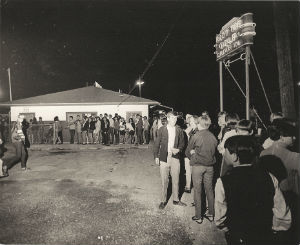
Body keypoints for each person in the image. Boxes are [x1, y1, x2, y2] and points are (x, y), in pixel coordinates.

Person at [215, 135, 291, 245]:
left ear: (235, 156)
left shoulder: (222, 182)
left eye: (225, 151)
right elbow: (281, 210)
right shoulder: (270, 177)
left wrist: (227, 229)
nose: (223, 154)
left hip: (237, 235)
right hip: (264, 234)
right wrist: (276, 229)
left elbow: (220, 217)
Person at [185, 115, 217, 224]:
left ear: (200, 124)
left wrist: (193, 155)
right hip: (210, 167)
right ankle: (211, 214)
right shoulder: (213, 136)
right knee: (209, 190)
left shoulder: (196, 135)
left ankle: (198, 216)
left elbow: (188, 150)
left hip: (198, 166)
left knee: (198, 190)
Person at [153, 111, 186, 209]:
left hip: (175, 158)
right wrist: (156, 156)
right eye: (172, 118)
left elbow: (182, 144)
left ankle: (176, 200)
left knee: (176, 179)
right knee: (164, 180)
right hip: (164, 158)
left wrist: (179, 149)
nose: (174, 120)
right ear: (167, 119)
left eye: (175, 118)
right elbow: (156, 144)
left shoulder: (179, 130)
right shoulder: (162, 130)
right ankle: (163, 201)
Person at [183, 115, 198, 193]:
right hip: (188, 153)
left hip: (192, 154)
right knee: (188, 170)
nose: (190, 122)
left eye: (191, 120)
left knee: (192, 171)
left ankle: (191, 187)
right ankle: (188, 186)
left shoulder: (197, 130)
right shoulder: (192, 129)